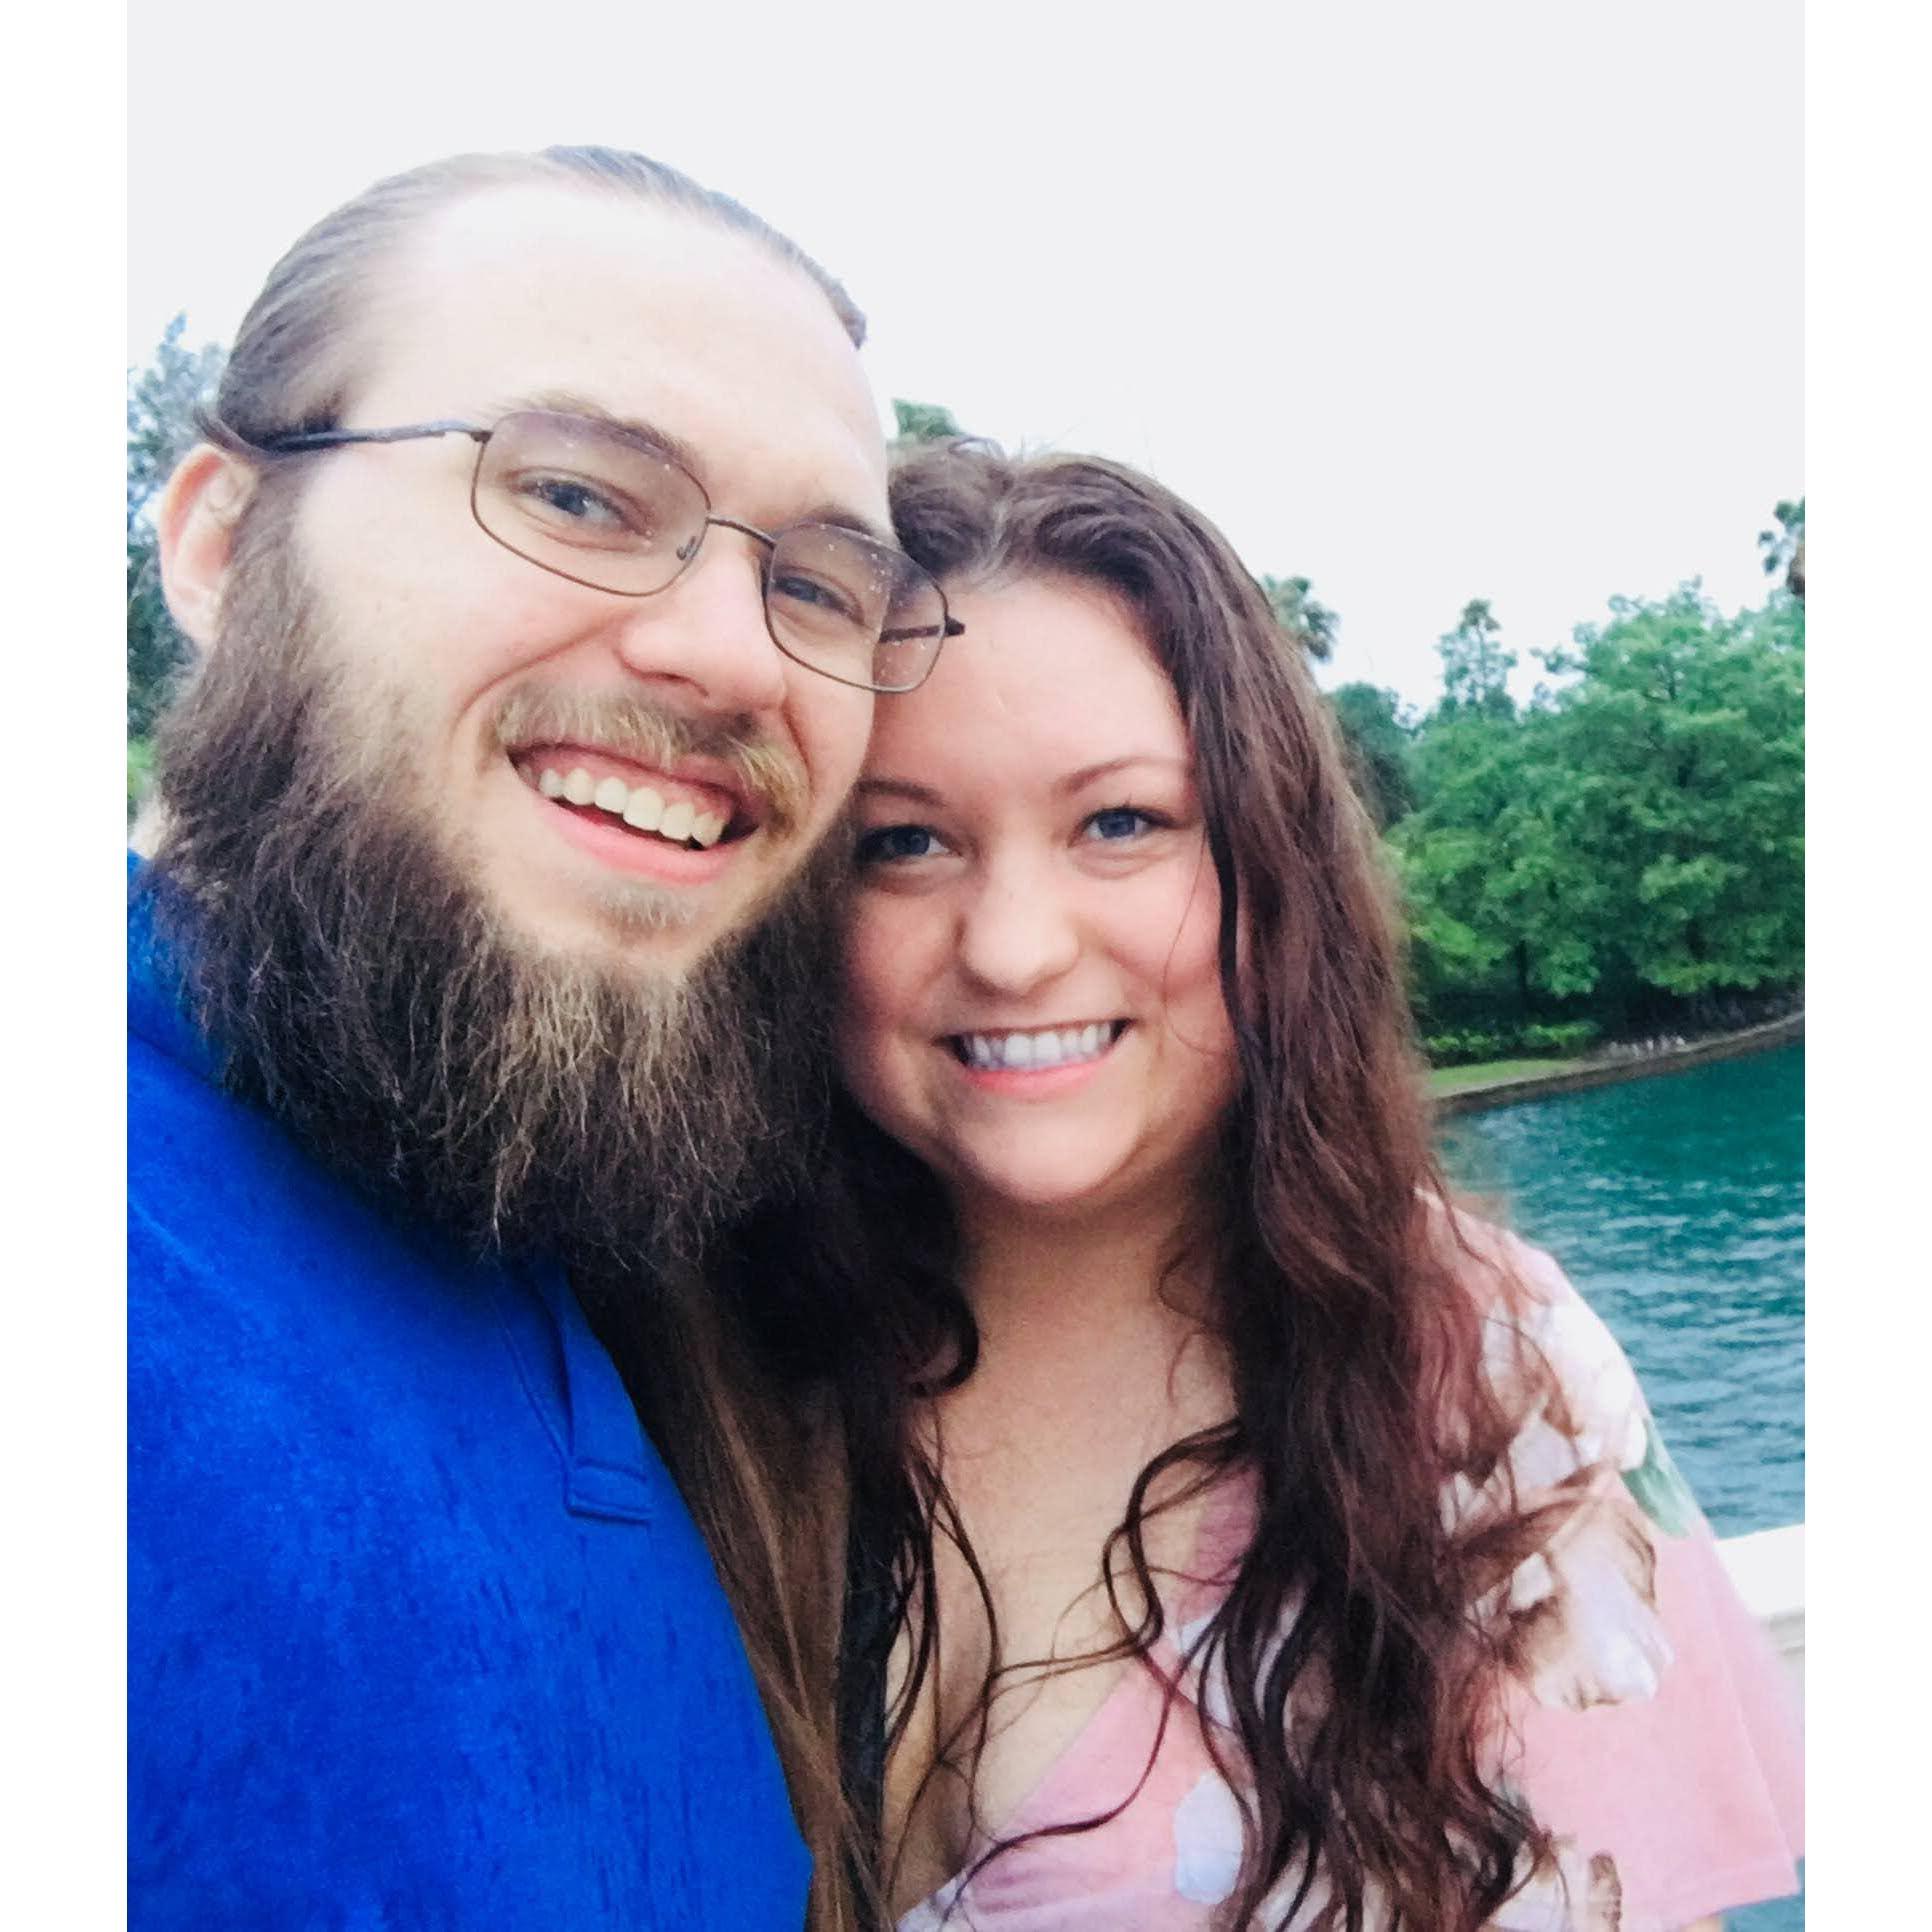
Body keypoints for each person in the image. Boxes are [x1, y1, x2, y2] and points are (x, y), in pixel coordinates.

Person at [715, 443, 1803, 1930]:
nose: (1014, 947)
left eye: (1121, 823)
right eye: (902, 844)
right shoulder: (676, 1361)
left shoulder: (1470, 1375)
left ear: (1267, 867)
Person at [128, 146, 961, 1929]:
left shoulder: (552, 1186)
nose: (735, 656)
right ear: (221, 541)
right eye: (579, 495)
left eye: (824, 588)